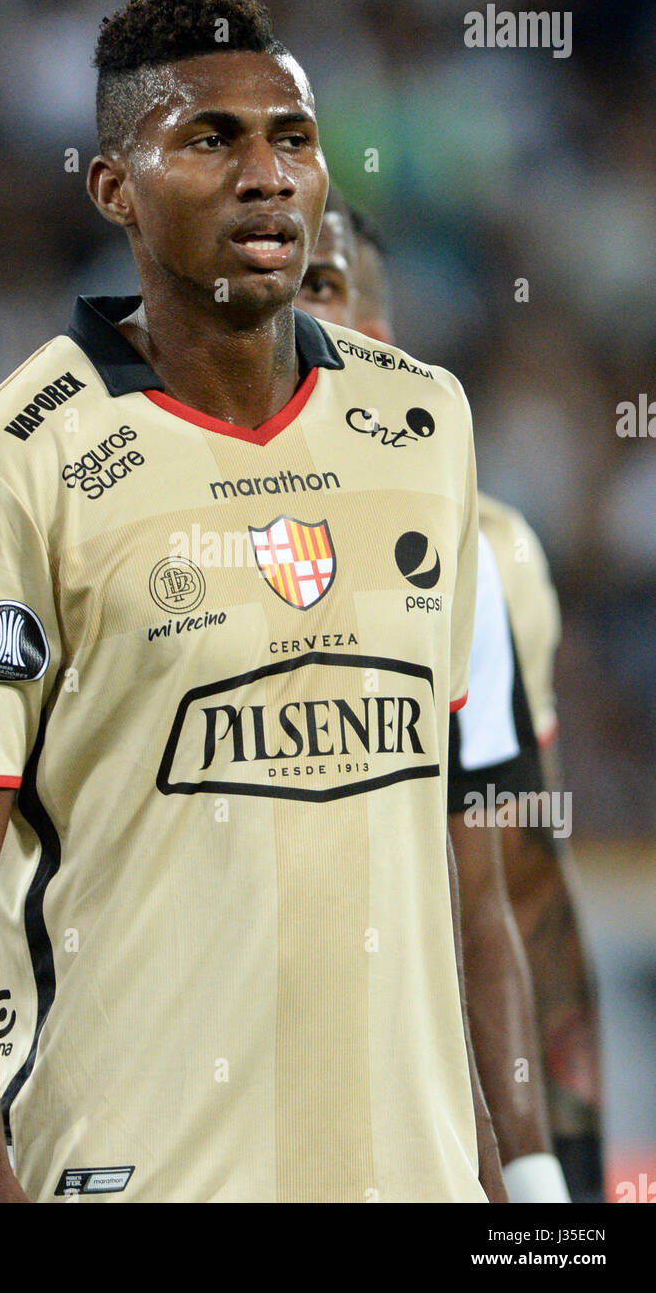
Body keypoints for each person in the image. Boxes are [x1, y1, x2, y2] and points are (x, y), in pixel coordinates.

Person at [0, 0, 502, 1203]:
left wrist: (489, 1160)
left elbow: (434, 835)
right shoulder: (17, 458)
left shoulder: (421, 420)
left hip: (406, 1174)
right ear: (114, 186)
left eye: (292, 140)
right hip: (143, 1167)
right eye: (209, 139)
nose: (265, 174)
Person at [296, 192, 602, 1202]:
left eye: (320, 286)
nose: (278, 305)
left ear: (374, 341)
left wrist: (552, 1164)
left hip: (416, 1110)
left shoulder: (482, 557)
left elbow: (516, 888)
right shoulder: (113, 517)